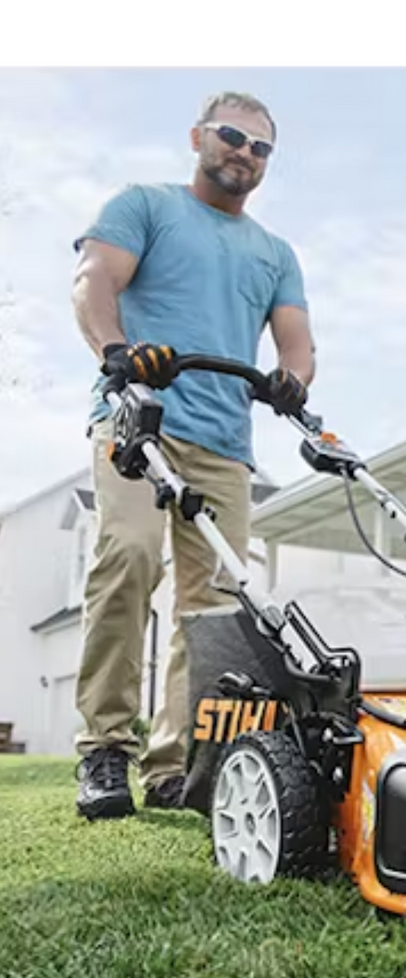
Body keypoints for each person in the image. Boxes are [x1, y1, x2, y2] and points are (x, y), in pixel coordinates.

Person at [70, 90, 316, 820]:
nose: (244, 152)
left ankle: (176, 765)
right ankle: (105, 748)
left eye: (260, 147)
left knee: (214, 610)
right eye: (233, 137)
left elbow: (297, 345)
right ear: (199, 137)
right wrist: (118, 352)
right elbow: (93, 283)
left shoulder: (274, 253)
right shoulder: (144, 205)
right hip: (139, 420)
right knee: (129, 557)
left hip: (225, 446)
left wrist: (289, 383)